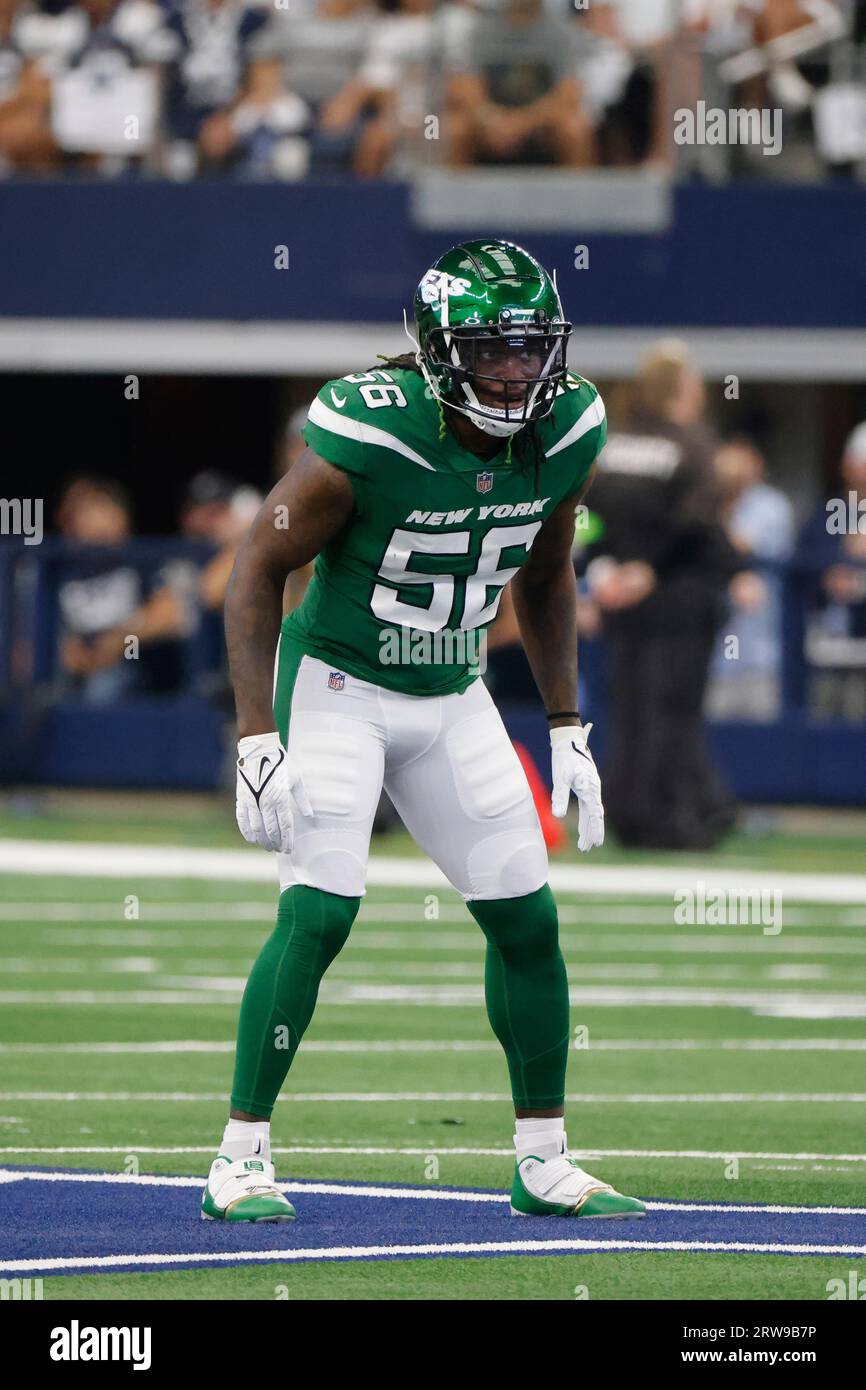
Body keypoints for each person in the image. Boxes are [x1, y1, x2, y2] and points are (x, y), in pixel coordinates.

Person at [202, 238, 645, 1224]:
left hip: (450, 691)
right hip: (337, 682)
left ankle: (541, 1159)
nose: (515, 371)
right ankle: (238, 1157)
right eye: (490, 351)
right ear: (439, 351)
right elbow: (253, 567)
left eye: (530, 349)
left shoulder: (567, 428)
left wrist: (567, 721)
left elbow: (545, 568)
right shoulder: (374, 432)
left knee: (526, 920)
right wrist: (254, 733)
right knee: (319, 911)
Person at [581, 340, 746, 849]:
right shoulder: (691, 444)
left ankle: (631, 814)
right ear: (680, 389)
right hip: (678, 596)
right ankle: (670, 818)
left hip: (621, 599)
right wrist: (650, 571)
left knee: (629, 705)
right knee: (672, 708)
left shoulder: (609, 442)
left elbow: (580, 515)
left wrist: (603, 571)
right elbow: (696, 525)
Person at [707, 436, 795, 720]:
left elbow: (740, 545)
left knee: (763, 748)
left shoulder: (771, 504)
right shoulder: (707, 502)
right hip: (713, 659)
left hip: (761, 656)